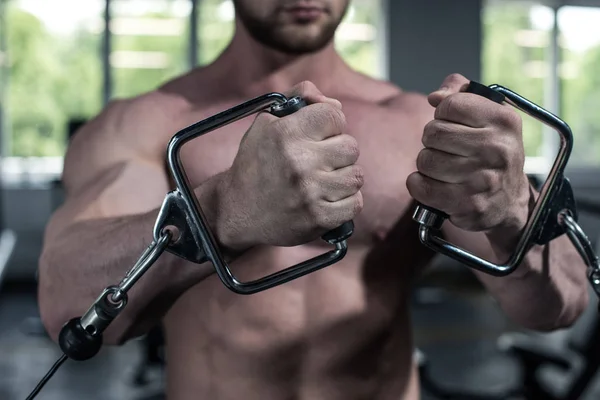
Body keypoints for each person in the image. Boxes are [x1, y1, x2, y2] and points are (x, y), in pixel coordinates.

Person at [38, 1, 589, 399]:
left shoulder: (413, 126)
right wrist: (221, 211)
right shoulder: (144, 126)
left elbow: (556, 306)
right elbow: (67, 304)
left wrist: (515, 216)